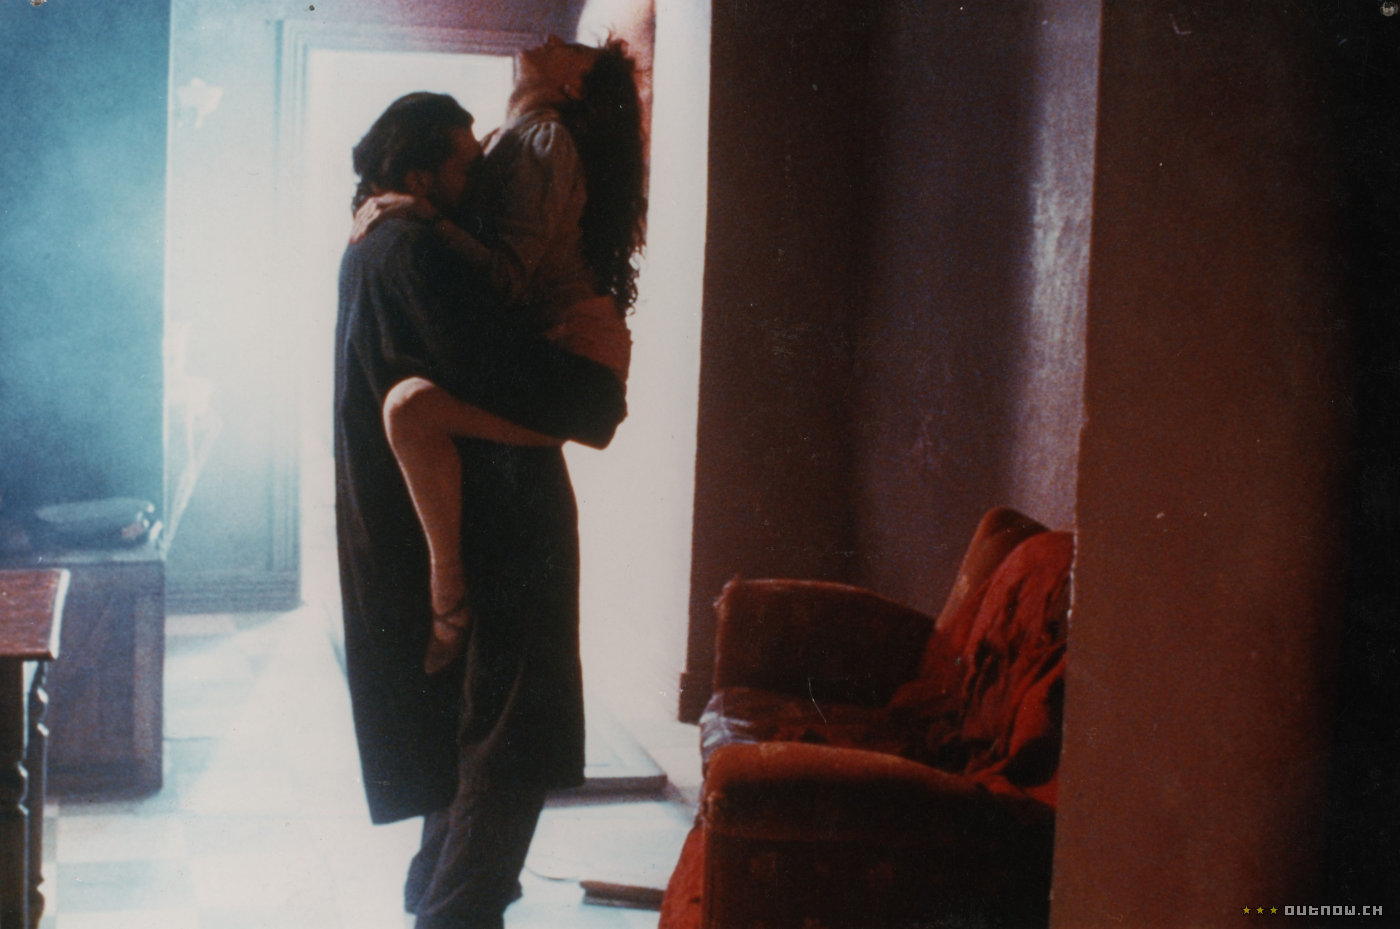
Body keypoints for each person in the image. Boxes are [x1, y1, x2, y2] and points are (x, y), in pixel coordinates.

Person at [334, 91, 627, 929]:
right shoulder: (412, 250)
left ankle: (438, 893)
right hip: (498, 526)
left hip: (468, 520)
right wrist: (597, 388)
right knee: (512, 729)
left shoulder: (376, 242)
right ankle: (454, 912)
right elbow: (492, 370)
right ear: (422, 175)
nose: (484, 179)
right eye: (467, 166)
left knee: (474, 727)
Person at [351, 35, 646, 676]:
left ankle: (448, 598)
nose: (552, 40)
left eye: (571, 50)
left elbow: (508, 279)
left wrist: (423, 215)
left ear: (571, 85)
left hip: (579, 358)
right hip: (559, 350)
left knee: (408, 410)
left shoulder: (547, 140)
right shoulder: (511, 137)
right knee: (413, 413)